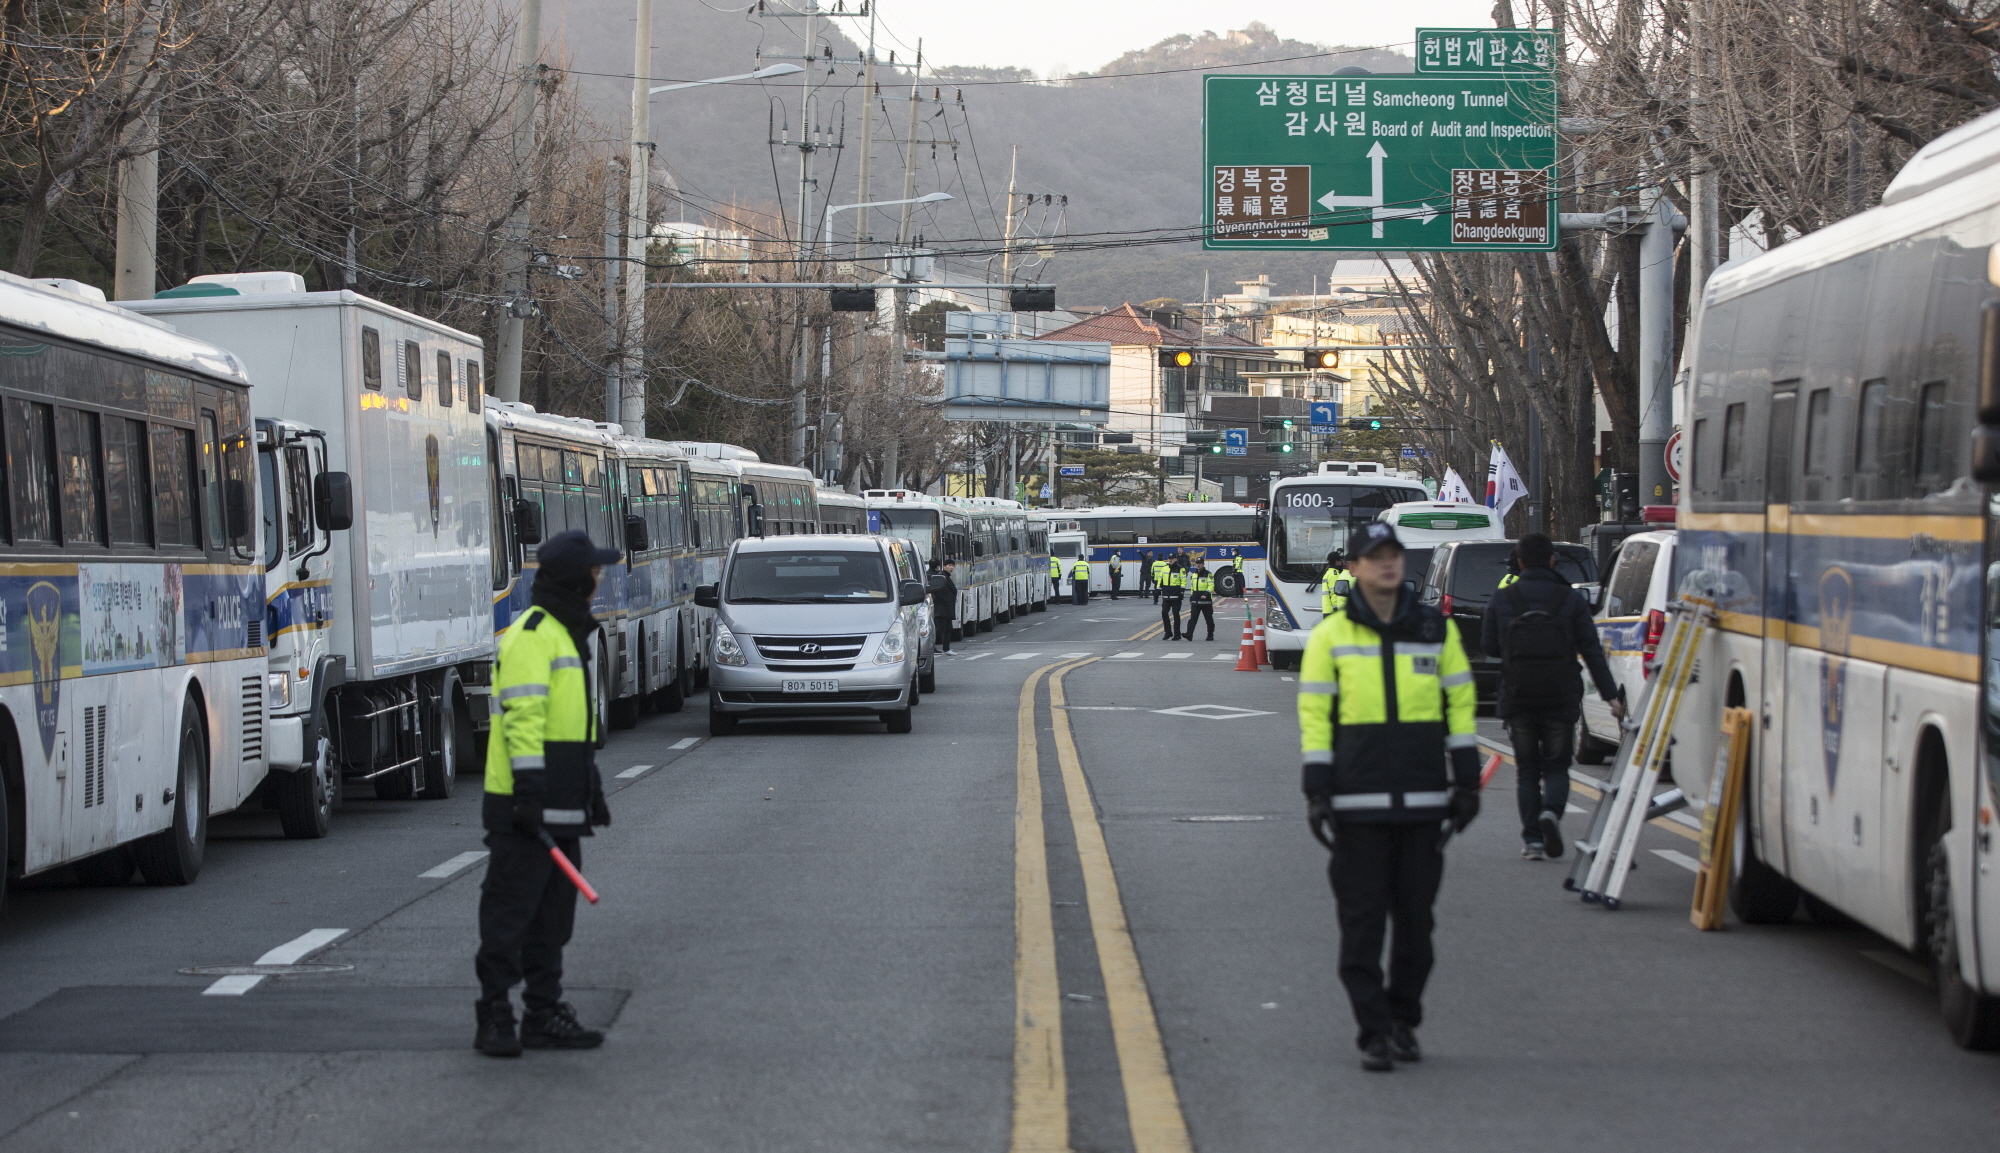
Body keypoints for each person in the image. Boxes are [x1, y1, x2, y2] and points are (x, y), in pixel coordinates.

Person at [1297, 521, 1479, 1072]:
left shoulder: (1434, 629)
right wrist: (1317, 789)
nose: (1387, 563)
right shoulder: (1330, 636)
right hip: (1357, 804)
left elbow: (1460, 707)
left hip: (1423, 801)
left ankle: (1403, 1020)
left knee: (1417, 927)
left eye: (1394, 554)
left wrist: (1466, 781)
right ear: (1353, 567)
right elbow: (1315, 716)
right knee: (1362, 927)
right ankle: (1373, 1031)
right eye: (1375, 555)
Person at [476, 529, 618, 1058]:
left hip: (558, 804)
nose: (599, 581)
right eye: (594, 572)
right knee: (509, 915)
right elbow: (524, 721)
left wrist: (590, 789)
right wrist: (530, 795)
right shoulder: (533, 635)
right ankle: (494, 1014)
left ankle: (543, 1012)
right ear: (576, 580)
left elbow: (572, 728)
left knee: (552, 920)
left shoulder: (565, 633)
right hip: (523, 808)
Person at [1480, 532, 1624, 860]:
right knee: (1558, 766)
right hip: (1561, 695)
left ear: (1519, 563)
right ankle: (1551, 812)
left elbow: (1490, 647)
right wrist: (1610, 696)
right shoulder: (1569, 599)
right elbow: (1591, 650)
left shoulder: (1503, 598)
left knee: (1527, 770)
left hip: (1517, 696)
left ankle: (1532, 840)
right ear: (1552, 560)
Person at [930, 561, 958, 653]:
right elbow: (936, 591)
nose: (951, 567)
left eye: (953, 566)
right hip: (942, 608)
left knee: (948, 629)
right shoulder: (941, 576)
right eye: (949, 565)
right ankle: (931, 646)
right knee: (941, 629)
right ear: (944, 566)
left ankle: (946, 648)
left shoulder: (946, 576)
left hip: (947, 607)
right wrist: (945, 600)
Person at [1186, 559, 1217, 640]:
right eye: (1197, 563)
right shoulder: (1194, 574)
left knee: (1208, 618)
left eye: (1200, 563)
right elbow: (1192, 587)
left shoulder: (1208, 574)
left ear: (1203, 564)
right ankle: (1189, 634)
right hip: (1196, 600)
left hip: (1206, 601)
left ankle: (1210, 634)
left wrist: (1206, 594)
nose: (1198, 565)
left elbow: (1211, 586)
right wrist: (1191, 597)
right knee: (1193, 618)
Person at [1159, 557, 1186, 640]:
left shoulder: (1180, 569)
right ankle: (1168, 632)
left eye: (1172, 559)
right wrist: (1158, 589)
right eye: (1169, 558)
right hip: (1166, 595)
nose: (1170, 560)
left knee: (1176, 614)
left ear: (1175, 559)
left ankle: (1177, 634)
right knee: (1164, 612)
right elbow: (1160, 579)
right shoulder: (1164, 568)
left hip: (1176, 595)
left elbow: (1183, 581)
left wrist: (1181, 592)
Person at [1320, 550, 1349, 618]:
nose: (1341, 562)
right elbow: (1335, 593)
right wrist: (1336, 609)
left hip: (1327, 609)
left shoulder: (1328, 573)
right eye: (1340, 560)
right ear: (1336, 561)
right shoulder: (1334, 574)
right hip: (1332, 611)